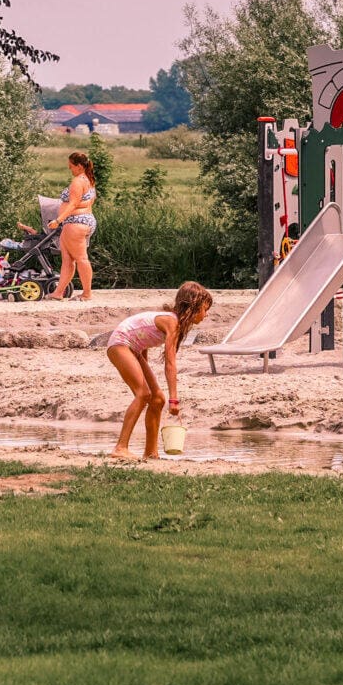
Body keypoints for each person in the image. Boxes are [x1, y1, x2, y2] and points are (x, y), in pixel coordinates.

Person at [105, 282, 214, 461]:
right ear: (193, 307)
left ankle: (151, 452)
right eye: (204, 309)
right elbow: (170, 364)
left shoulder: (174, 322)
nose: (206, 314)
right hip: (120, 344)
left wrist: (142, 366)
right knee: (143, 394)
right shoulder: (172, 322)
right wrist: (174, 400)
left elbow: (142, 337)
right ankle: (120, 447)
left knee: (157, 399)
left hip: (134, 348)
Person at [50, 151, 97, 301]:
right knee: (67, 259)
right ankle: (58, 293)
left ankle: (87, 293)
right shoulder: (88, 180)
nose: (70, 169)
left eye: (71, 166)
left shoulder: (78, 181)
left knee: (81, 258)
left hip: (76, 223)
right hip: (79, 221)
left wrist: (58, 220)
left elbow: (73, 203)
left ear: (78, 166)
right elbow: (87, 201)